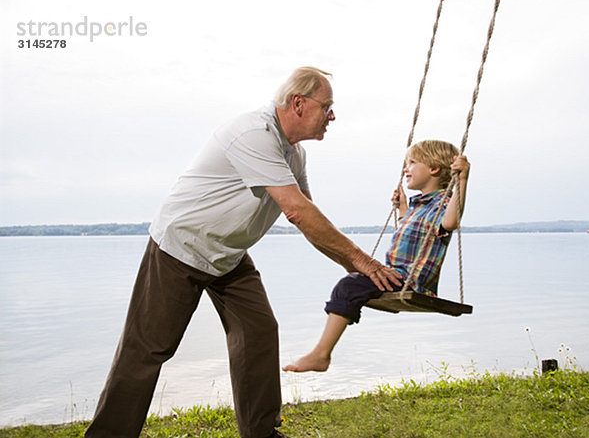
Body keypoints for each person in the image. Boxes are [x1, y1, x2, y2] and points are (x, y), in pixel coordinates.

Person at [84, 67, 402, 438]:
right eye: (327, 106)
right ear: (298, 103)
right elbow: (297, 213)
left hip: (228, 257)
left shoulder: (294, 154)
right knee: (148, 349)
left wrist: (361, 271)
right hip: (180, 248)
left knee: (258, 331)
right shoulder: (254, 133)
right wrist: (363, 261)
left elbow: (311, 221)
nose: (332, 115)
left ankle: (261, 433)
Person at [283, 140, 470, 373]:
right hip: (397, 276)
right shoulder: (418, 206)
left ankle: (321, 354)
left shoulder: (442, 203)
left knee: (349, 285)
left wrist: (462, 180)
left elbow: (450, 222)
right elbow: (414, 235)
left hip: (410, 282)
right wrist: (402, 208)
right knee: (353, 277)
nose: (406, 169)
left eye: (412, 163)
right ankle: (323, 350)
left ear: (434, 169)